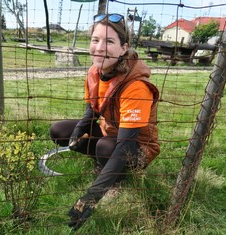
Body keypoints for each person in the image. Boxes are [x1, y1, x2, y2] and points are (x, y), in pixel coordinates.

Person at [49, 13, 160, 231]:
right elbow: (93, 107)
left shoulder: (136, 86)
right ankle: (104, 164)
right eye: (95, 39)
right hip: (109, 133)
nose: (99, 47)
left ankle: (116, 179)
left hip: (138, 147)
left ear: (123, 48)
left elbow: (125, 145)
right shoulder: (95, 71)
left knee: (105, 146)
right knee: (59, 131)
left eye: (109, 41)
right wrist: (77, 132)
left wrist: (90, 198)